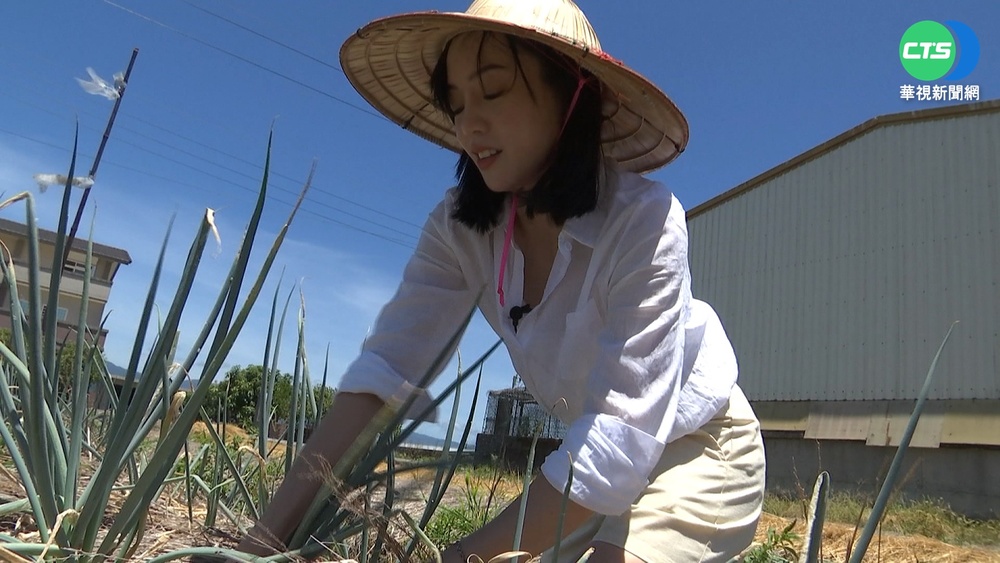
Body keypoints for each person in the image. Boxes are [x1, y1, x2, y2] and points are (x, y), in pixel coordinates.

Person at [238, 0, 766, 561]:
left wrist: (455, 557)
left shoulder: (646, 223)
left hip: (697, 446)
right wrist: (261, 541)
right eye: (457, 103)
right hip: (592, 468)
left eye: (492, 91)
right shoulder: (459, 229)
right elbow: (386, 372)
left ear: (573, 94)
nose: (468, 124)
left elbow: (619, 441)